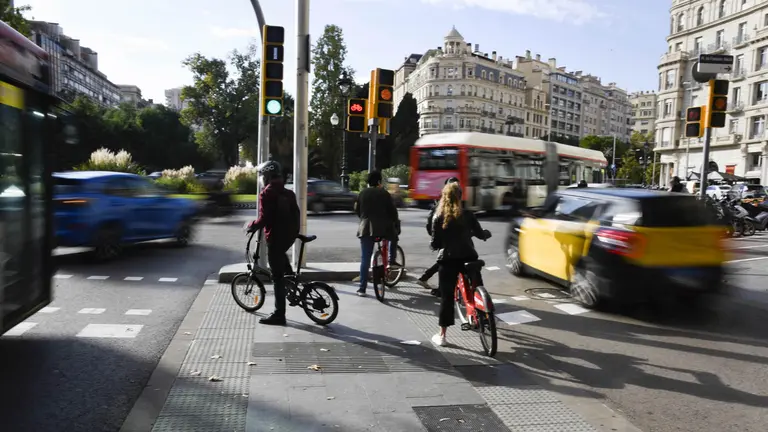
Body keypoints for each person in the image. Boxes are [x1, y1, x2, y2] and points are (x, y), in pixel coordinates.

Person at [429, 182, 491, 347]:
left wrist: (435, 245)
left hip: (448, 259)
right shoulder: (468, 215)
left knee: (447, 298)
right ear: (460, 196)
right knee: (477, 282)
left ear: (444, 196)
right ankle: (484, 314)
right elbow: (479, 233)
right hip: (469, 257)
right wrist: (485, 234)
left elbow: (435, 242)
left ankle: (442, 336)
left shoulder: (438, 216)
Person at [246, 160, 300, 325]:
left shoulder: (267, 193)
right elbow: (296, 215)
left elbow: (265, 218)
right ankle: (293, 287)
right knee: (282, 262)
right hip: (289, 237)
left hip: (276, 237)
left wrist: (251, 226)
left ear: (267, 176)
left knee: (277, 277)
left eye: (262, 175)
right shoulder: (288, 193)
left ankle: (279, 314)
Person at [354, 170, 400, 297]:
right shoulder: (384, 193)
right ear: (379, 181)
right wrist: (395, 223)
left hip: (366, 228)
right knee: (393, 238)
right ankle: (391, 260)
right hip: (384, 228)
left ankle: (362, 289)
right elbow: (393, 212)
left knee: (365, 258)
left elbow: (358, 211)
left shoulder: (362, 193)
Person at [416, 176, 460, 295]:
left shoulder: (449, 200)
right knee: (444, 262)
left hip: (445, 238)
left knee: (443, 262)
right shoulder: (444, 201)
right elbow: (432, 221)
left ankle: (426, 278)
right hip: (444, 238)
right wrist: (436, 237)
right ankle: (441, 288)